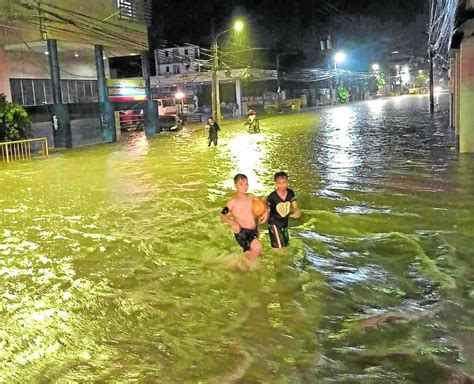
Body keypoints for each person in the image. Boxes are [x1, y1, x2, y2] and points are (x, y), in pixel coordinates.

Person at [221, 174, 265, 262]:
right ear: (235, 186)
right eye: (241, 184)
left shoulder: (251, 196)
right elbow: (222, 215)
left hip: (254, 230)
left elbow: (262, 203)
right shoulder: (232, 201)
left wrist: (264, 213)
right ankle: (243, 267)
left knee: (255, 253)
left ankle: (241, 265)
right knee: (257, 247)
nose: (244, 187)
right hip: (242, 232)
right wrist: (233, 223)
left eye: (246, 184)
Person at [264, 171, 301, 249]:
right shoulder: (271, 197)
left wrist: (296, 211)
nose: (282, 185)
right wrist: (264, 217)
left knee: (286, 246)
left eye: (284, 182)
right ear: (275, 183)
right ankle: (277, 260)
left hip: (284, 223)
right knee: (280, 249)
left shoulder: (290, 193)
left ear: (288, 181)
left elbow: (295, 206)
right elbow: (267, 210)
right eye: (279, 183)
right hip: (274, 224)